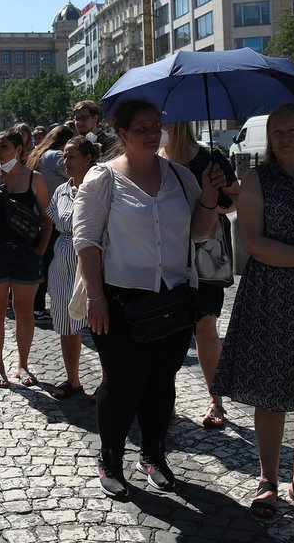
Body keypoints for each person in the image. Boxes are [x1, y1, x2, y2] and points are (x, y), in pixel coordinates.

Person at [73, 98, 224, 499]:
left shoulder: (180, 177)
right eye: (140, 127)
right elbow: (86, 240)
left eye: (155, 125)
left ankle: (154, 454)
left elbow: (198, 232)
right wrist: (96, 296)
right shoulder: (102, 178)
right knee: (123, 383)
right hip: (120, 300)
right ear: (121, 134)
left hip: (173, 298)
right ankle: (110, 459)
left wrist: (209, 196)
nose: (150, 132)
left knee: (161, 382)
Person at [209, 105, 294, 522]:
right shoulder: (257, 179)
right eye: (277, 131)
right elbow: (254, 243)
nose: (284, 137)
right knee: (270, 392)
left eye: (293, 130)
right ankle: (268, 479)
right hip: (271, 297)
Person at [159, 121, 240, 433]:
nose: (160, 127)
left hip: (204, 255)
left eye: (164, 121)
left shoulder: (211, 158)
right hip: (167, 254)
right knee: (168, 330)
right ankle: (165, 397)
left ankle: (215, 398)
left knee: (205, 327)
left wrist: (214, 195)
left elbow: (234, 200)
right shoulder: (156, 161)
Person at [0, 130, 53, 389]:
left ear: (19, 149)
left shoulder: (34, 179)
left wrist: (41, 247)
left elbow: (47, 216)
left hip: (26, 254)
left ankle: (23, 364)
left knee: (24, 312)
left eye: (4, 147)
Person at [46, 134, 99, 399]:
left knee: (100, 326)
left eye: (71, 156)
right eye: (64, 156)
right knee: (66, 323)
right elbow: (55, 223)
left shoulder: (99, 187)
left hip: (90, 261)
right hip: (63, 265)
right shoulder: (61, 190)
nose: (65, 161)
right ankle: (73, 380)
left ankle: (108, 384)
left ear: (87, 158)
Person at [26, 125, 76, 323]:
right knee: (53, 264)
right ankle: (44, 307)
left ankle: (37, 307)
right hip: (55, 216)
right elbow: (76, 172)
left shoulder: (41, 153)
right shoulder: (55, 156)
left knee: (44, 263)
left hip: (42, 214)